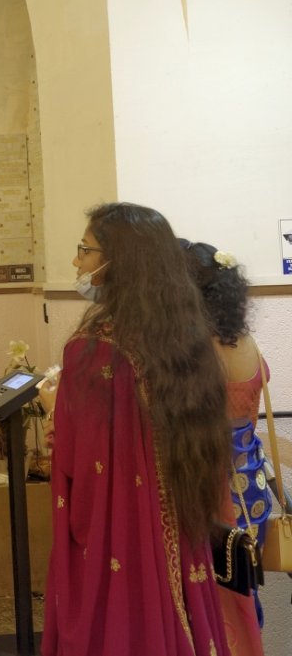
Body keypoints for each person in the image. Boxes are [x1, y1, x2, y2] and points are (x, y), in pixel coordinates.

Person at [42, 203, 230, 655]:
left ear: (118, 261)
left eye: (85, 251)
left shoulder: (96, 348)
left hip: (119, 523)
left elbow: (78, 462)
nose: (77, 263)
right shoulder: (185, 336)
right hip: (181, 520)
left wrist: (54, 410)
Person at [185, 241, 266, 653]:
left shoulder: (202, 350)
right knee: (244, 587)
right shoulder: (247, 341)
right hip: (251, 480)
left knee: (219, 592)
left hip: (218, 484)